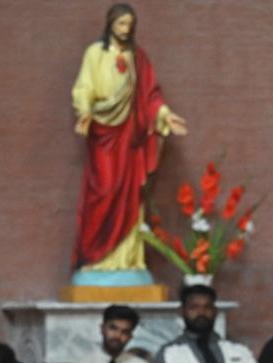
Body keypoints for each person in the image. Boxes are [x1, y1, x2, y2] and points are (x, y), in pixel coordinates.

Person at [71, 3, 187, 275]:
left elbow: (150, 95)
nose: (126, 30)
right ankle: (95, 257)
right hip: (104, 134)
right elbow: (84, 85)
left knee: (130, 195)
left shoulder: (139, 58)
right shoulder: (95, 54)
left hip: (130, 139)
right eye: (121, 24)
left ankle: (126, 260)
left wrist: (165, 116)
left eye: (130, 25)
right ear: (110, 23)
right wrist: (85, 111)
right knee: (105, 189)